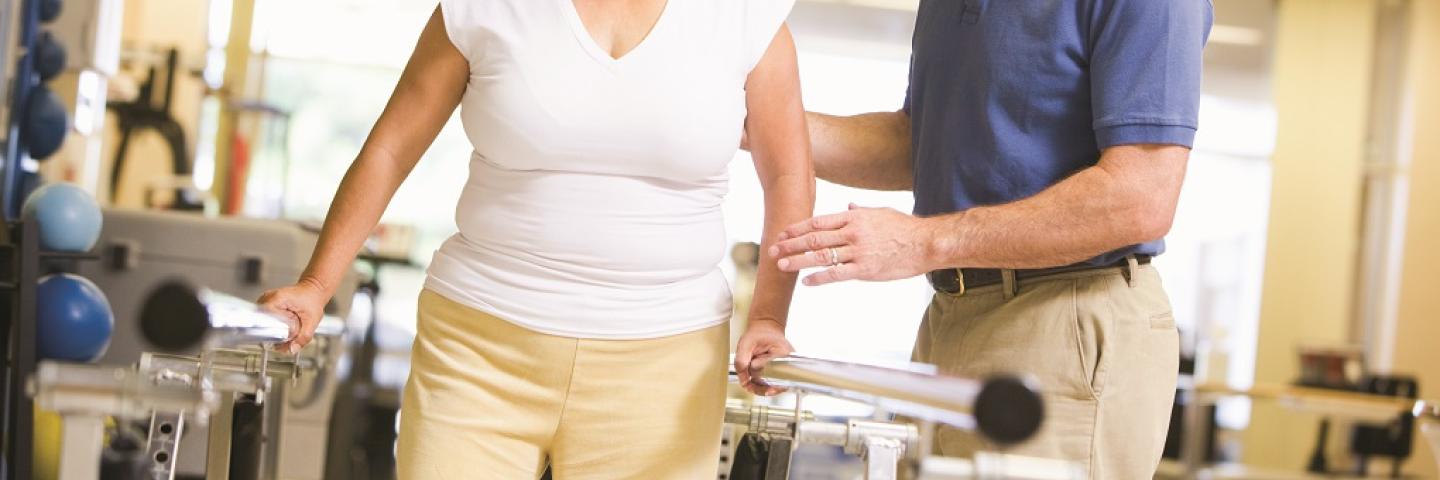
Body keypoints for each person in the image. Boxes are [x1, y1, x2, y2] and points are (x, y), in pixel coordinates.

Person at [257, 0, 814, 477]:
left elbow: (788, 174)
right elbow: (390, 148)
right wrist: (316, 283)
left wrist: (769, 314)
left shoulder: (747, 15)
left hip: (664, 365)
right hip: (479, 349)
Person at [755, 1, 1213, 477]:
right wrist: (760, 121)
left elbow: (1140, 198)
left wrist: (925, 242)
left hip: (1066, 315)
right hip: (953, 315)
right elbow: (919, 145)